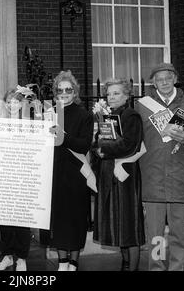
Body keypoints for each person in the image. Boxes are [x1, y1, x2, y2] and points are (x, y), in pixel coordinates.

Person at [136, 63, 184, 271]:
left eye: (168, 78)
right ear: (154, 82)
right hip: (152, 178)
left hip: (180, 176)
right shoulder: (142, 105)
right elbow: (134, 137)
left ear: (175, 78)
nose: (164, 82)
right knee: (155, 235)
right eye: (159, 79)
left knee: (178, 233)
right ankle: (156, 268)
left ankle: (177, 268)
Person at [92, 79, 145, 271]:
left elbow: (130, 145)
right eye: (109, 94)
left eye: (116, 93)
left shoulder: (131, 116)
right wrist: (96, 146)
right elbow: (98, 141)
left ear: (126, 96)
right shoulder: (107, 116)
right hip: (108, 176)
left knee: (130, 226)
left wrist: (103, 148)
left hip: (125, 177)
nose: (111, 97)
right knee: (118, 225)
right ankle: (125, 264)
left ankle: (133, 268)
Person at [48, 70, 94, 271]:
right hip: (55, 173)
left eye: (68, 89)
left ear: (75, 92)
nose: (64, 93)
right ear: (55, 92)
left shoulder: (84, 115)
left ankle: (73, 262)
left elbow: (83, 145)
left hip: (76, 174)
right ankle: (62, 262)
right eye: (60, 90)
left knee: (75, 219)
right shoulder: (49, 113)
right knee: (58, 219)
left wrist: (62, 136)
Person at [0, 87, 34, 271]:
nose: (12, 105)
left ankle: (22, 258)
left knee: (23, 220)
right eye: (9, 101)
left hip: (24, 176)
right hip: (5, 176)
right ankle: (8, 255)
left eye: (16, 101)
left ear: (23, 103)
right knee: (6, 219)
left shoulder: (31, 123)